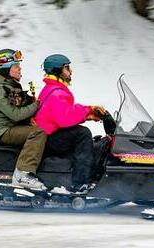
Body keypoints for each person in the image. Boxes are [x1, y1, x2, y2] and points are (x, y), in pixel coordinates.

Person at [34, 54, 107, 192]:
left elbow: (65, 113)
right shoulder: (56, 92)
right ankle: (81, 183)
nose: (70, 71)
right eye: (67, 68)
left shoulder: (53, 89)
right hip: (48, 137)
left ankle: (76, 174)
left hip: (49, 134)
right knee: (83, 134)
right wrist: (88, 111)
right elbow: (64, 118)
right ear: (57, 70)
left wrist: (88, 114)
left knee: (81, 134)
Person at [0, 49, 47, 190]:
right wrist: (37, 104)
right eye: (16, 66)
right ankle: (21, 175)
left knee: (42, 127)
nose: (20, 69)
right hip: (3, 131)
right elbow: (15, 114)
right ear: (6, 68)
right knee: (38, 132)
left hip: (11, 126)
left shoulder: (9, 86)